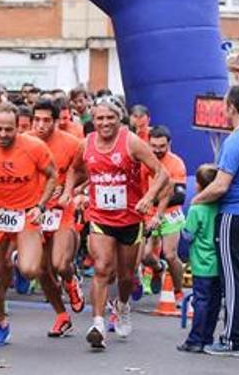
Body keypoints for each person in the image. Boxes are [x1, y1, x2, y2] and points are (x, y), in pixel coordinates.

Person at [63, 95, 167, 351]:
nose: (105, 122)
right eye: (99, 118)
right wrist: (68, 191)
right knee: (102, 268)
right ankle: (97, 324)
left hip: (130, 219)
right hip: (100, 217)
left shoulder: (131, 142)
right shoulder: (85, 144)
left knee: (126, 276)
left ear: (120, 118)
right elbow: (75, 170)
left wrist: (148, 197)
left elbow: (161, 173)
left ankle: (122, 306)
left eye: (110, 117)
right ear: (93, 120)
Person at [0, 102, 57, 347]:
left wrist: (41, 206)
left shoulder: (34, 147)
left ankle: (18, 254)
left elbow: (52, 175)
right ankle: (1, 323)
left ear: (19, 127)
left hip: (26, 213)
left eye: (9, 130)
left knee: (29, 270)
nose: (3, 135)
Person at [191, 85, 239, 357]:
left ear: (232, 108)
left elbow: (220, 186)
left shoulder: (235, 141)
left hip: (236, 215)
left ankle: (233, 340)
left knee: (234, 280)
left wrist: (196, 200)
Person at [30, 98, 86, 338]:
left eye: (46, 120)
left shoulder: (73, 144)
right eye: (37, 120)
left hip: (61, 210)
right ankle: (62, 316)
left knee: (60, 264)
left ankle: (71, 280)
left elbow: (87, 173)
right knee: (41, 270)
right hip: (34, 211)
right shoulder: (25, 142)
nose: (41, 125)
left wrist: (68, 191)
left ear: (56, 121)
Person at [140, 126, 188, 304]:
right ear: (148, 144)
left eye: (162, 146)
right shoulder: (144, 161)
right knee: (144, 256)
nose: (158, 150)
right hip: (148, 212)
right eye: (154, 146)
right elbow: (140, 189)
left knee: (169, 254)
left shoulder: (176, 163)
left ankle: (178, 291)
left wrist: (152, 203)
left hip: (170, 214)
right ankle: (158, 268)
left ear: (169, 144)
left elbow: (177, 197)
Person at [177, 164, 221, 353]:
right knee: (215, 302)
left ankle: (195, 339)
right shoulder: (222, 206)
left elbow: (188, 234)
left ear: (199, 186)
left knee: (200, 301)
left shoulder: (196, 208)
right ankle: (208, 338)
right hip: (220, 262)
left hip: (202, 263)